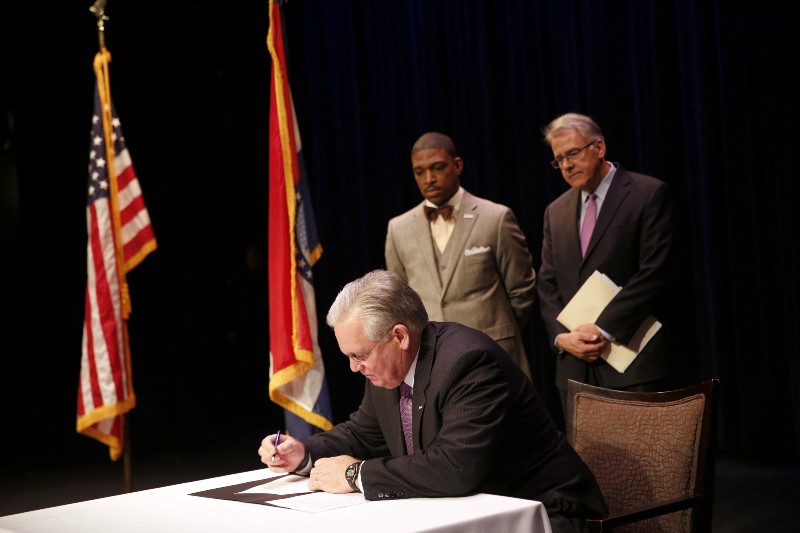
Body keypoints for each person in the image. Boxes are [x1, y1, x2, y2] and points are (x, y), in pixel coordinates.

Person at [259, 270, 607, 533]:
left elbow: (455, 467)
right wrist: (303, 453)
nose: (354, 368)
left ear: (399, 336)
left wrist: (354, 474)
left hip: (544, 514)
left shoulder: (467, 362)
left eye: (359, 355)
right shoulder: (386, 369)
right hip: (471, 513)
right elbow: (363, 433)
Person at [537, 112, 673, 415]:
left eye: (573, 153)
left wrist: (603, 328)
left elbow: (654, 272)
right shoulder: (555, 212)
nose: (567, 165)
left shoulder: (647, 193)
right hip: (574, 365)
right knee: (586, 462)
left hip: (631, 361)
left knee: (641, 459)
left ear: (599, 148)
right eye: (559, 160)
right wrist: (561, 337)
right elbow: (546, 284)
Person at [385, 132, 537, 378]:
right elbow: (400, 299)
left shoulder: (495, 218)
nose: (429, 179)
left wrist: (494, 330)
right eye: (419, 172)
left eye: (438, 168)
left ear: (457, 166)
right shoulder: (398, 228)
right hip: (432, 360)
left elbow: (522, 290)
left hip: (494, 353)